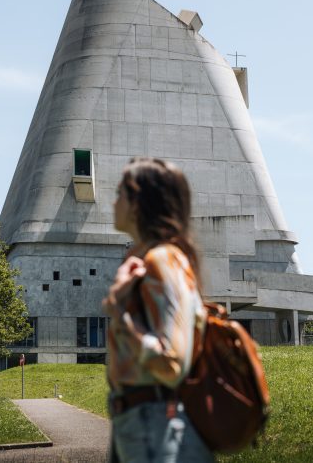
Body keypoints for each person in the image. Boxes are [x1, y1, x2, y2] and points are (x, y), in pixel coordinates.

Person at [102, 157, 214, 463]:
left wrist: (119, 315)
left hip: (157, 428)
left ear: (137, 203)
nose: (113, 203)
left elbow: (170, 363)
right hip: (139, 423)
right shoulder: (149, 260)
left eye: (120, 194)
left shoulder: (163, 260)